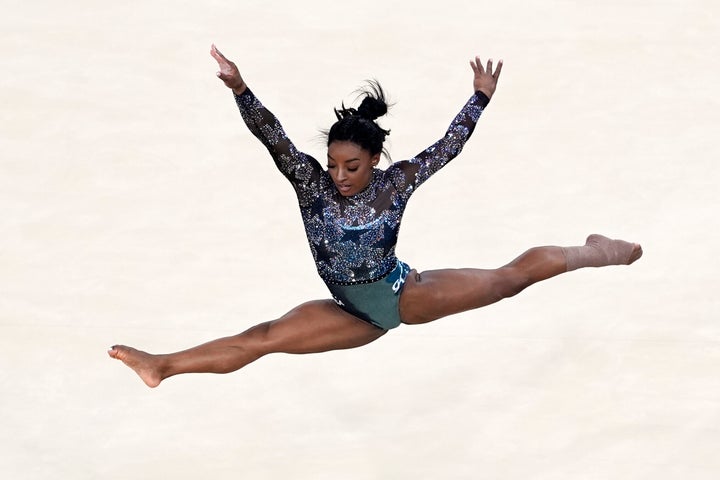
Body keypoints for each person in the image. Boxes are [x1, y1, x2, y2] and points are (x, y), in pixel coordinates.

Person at [108, 45, 642, 388]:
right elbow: (272, 136)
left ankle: (598, 251)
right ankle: (163, 366)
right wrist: (241, 90)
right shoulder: (309, 183)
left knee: (508, 280)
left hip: (398, 293)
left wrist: (478, 100)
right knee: (263, 337)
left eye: (353, 166)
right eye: (334, 164)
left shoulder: (395, 184)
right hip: (350, 312)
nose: (340, 176)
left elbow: (447, 147)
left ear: (374, 162)